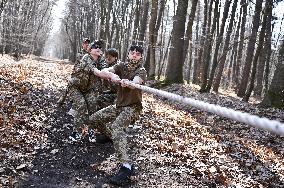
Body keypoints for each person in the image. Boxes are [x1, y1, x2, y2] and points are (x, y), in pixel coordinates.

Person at [88, 45, 147, 185]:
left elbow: (137, 81)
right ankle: (109, 136)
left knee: (117, 127)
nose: (134, 55)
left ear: (141, 57)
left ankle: (127, 167)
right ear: (128, 54)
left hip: (132, 108)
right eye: (132, 53)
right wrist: (112, 75)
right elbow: (104, 71)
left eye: (137, 54)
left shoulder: (141, 70)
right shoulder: (122, 65)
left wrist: (130, 83)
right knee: (93, 119)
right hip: (118, 106)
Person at [67, 40, 106, 142]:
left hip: (88, 88)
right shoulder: (86, 58)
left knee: (93, 106)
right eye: (95, 47)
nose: (98, 49)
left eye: (100, 47)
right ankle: (76, 132)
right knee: (82, 105)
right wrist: (107, 75)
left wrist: (113, 75)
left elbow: (105, 69)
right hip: (76, 87)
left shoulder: (101, 60)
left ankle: (92, 131)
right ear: (90, 50)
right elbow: (97, 72)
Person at [57, 38, 91, 105]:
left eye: (88, 43)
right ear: (82, 45)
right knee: (71, 82)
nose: (87, 44)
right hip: (79, 73)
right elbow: (77, 65)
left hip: (87, 75)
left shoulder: (91, 53)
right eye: (85, 43)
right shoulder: (80, 54)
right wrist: (73, 73)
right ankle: (64, 97)